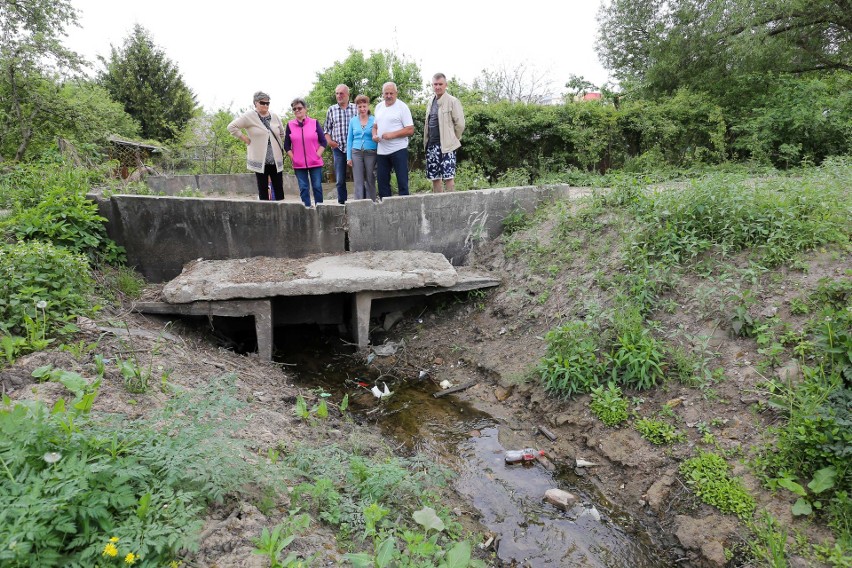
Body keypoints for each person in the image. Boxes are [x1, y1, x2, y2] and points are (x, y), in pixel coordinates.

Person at [227, 91, 286, 200]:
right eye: (262, 103)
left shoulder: (275, 116)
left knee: (279, 189)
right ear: (255, 103)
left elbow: (282, 133)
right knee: (263, 189)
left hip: (275, 160)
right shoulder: (249, 116)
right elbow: (231, 127)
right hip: (260, 160)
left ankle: (280, 214)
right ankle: (265, 213)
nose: (265, 105)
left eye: (267, 103)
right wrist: (245, 138)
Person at [423, 73, 466, 192]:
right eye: (435, 84)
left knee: (448, 177)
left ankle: (451, 206)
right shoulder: (430, 102)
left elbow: (460, 124)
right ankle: (438, 206)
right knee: (435, 178)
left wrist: (453, 139)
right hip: (431, 146)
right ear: (432, 85)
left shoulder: (453, 101)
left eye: (440, 84)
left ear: (445, 85)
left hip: (447, 147)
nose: (437, 87)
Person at [372, 82, 415, 198]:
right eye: (386, 93)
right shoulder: (378, 107)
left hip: (398, 150)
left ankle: (404, 209)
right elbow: (375, 127)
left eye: (391, 93)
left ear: (396, 93)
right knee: (382, 183)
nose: (389, 96)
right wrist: (374, 135)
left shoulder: (402, 107)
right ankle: (385, 210)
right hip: (382, 151)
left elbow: (410, 130)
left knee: (402, 182)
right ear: (383, 94)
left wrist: (392, 135)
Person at [283, 98, 327, 208]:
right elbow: (286, 145)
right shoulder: (290, 125)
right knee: (303, 188)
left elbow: (323, 141)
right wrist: (294, 158)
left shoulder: (314, 122)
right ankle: (306, 209)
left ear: (305, 109)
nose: (297, 110)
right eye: (294, 109)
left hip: (315, 162)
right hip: (299, 164)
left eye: (299, 108)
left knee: (317, 186)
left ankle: (319, 209)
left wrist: (317, 155)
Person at [324, 84, 357, 204]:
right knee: (339, 179)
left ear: (348, 95)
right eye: (337, 93)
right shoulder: (331, 110)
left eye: (341, 93)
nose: (339, 96)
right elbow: (326, 130)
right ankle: (342, 204)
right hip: (338, 149)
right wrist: (330, 142)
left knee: (358, 177)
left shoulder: (356, 108)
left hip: (354, 148)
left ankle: (361, 201)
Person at [346, 95, 378, 201]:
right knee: (358, 180)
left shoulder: (374, 120)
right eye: (360, 106)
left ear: (368, 106)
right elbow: (349, 139)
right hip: (356, 152)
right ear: (357, 107)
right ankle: (358, 203)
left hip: (371, 152)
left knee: (370, 178)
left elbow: (377, 136)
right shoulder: (353, 121)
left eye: (364, 106)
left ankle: (371, 202)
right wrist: (348, 157)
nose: (362, 109)